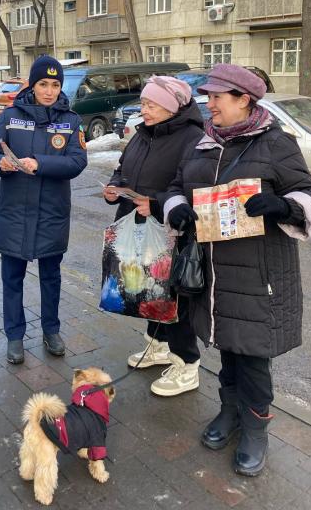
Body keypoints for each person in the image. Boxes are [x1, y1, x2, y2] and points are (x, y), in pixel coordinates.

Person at [163, 64, 311, 476]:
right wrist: (176, 208)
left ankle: (256, 429)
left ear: (244, 101)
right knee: (229, 353)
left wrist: (284, 206)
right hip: (213, 277)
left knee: (253, 358)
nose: (209, 103)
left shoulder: (276, 143)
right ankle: (229, 413)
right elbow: (174, 187)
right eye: (208, 96)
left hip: (260, 278)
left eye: (218, 96)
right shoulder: (202, 143)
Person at [103, 76, 204, 396]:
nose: (143, 109)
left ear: (172, 106)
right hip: (139, 227)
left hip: (172, 231)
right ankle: (158, 346)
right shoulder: (143, 133)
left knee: (174, 298)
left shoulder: (193, 138)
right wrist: (115, 187)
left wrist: (157, 203)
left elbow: (193, 189)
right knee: (150, 291)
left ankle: (188, 364)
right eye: (143, 103)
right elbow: (123, 168)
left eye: (151, 104)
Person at [0, 55, 87, 364]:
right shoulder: (11, 115)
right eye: (44, 84)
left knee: (50, 276)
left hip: (52, 212)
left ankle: (51, 330)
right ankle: (14, 336)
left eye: (56, 85)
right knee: (12, 278)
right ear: (32, 84)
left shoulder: (71, 120)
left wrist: (39, 163)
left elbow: (77, 162)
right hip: (15, 211)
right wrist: (0, 164)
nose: (50, 91)